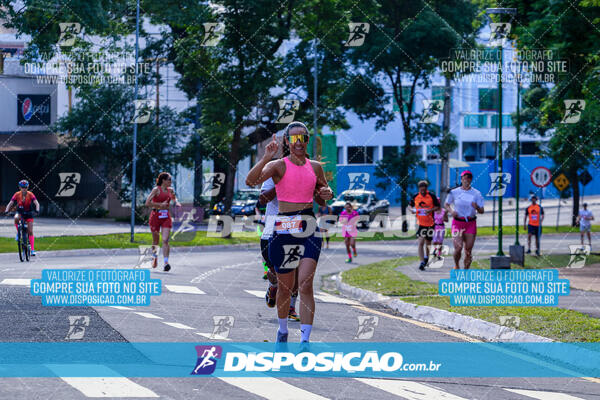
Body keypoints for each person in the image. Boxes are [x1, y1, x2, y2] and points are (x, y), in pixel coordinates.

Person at [246, 121, 333, 344]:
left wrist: (327, 192)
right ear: (287, 141)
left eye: (303, 138)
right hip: (284, 228)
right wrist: (266, 157)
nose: (299, 143)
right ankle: (282, 330)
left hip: (308, 227)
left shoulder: (315, 167)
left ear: (307, 140)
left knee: (305, 284)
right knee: (285, 288)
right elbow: (251, 180)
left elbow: (321, 195)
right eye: (294, 139)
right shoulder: (278, 165)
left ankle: (305, 340)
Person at [445, 170, 484, 270]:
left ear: (471, 180)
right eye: (464, 177)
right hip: (458, 223)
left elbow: (482, 211)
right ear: (461, 179)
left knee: (468, 251)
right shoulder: (454, 192)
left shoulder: (476, 193)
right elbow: (446, 204)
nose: (466, 179)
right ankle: (457, 265)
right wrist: (451, 211)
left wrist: (477, 207)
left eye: (469, 178)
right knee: (458, 248)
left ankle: (466, 271)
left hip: (470, 223)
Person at [145, 172, 181, 271]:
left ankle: (166, 263)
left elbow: (174, 198)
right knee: (156, 240)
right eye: (169, 179)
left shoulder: (171, 190)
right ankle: (155, 257)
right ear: (163, 180)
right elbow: (147, 203)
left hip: (165, 217)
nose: (170, 181)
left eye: (171, 179)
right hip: (155, 216)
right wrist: (160, 205)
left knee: (165, 240)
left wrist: (177, 203)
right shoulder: (156, 190)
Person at [4, 180, 40, 256]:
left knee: (30, 231)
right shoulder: (17, 194)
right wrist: (6, 210)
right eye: (22, 187)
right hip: (20, 212)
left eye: (25, 187)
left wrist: (37, 210)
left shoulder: (30, 194)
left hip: (29, 213)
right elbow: (11, 203)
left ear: (28, 187)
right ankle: (18, 232)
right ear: (20, 187)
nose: (24, 189)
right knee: (16, 217)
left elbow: (36, 203)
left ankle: (32, 250)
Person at [410, 180, 440, 270]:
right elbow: (409, 205)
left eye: (424, 189)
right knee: (421, 242)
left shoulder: (431, 196)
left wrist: (430, 210)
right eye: (421, 190)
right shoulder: (416, 196)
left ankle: (426, 257)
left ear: (426, 188)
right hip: (420, 223)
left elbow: (438, 207)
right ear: (419, 189)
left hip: (430, 223)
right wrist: (411, 210)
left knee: (428, 243)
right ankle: (422, 262)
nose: (422, 191)